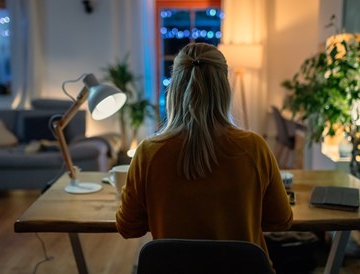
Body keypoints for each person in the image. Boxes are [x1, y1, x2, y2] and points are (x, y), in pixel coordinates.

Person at [116, 42, 293, 268]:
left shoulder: (148, 153)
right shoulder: (255, 148)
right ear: (224, 89)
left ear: (175, 90)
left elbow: (128, 227)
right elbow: (281, 220)